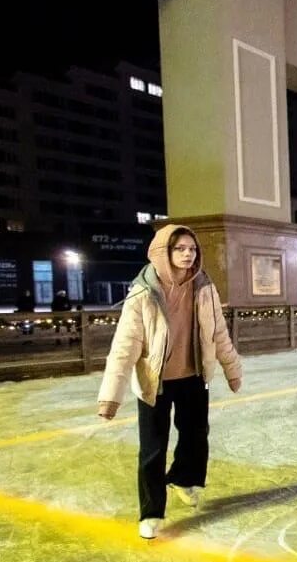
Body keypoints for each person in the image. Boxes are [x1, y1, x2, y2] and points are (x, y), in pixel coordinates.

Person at [96, 225, 243, 539]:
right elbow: (125, 345)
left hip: (193, 376)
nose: (188, 254)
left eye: (192, 249)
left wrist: (232, 369)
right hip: (155, 382)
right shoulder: (143, 292)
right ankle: (151, 512)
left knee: (195, 436)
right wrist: (110, 396)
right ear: (164, 251)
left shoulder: (204, 287)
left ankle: (185, 479)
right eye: (181, 249)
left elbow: (218, 333)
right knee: (153, 449)